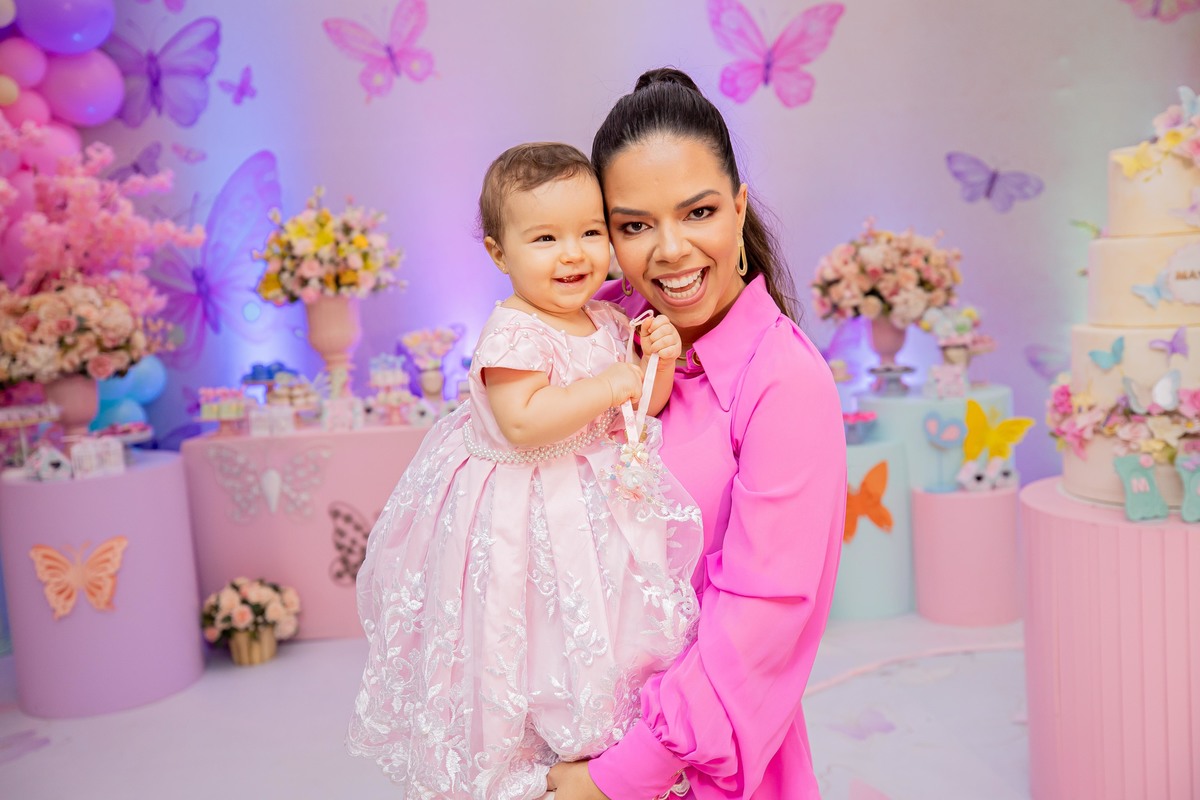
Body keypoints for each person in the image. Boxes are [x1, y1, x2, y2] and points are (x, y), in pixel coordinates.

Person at [347, 142, 704, 800]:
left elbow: (642, 406)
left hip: (592, 515)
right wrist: (612, 381)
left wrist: (657, 361)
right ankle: (521, 758)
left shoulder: (607, 318)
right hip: (524, 518)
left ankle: (599, 740)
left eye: (590, 232)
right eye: (545, 238)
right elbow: (524, 420)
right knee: (522, 633)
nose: (573, 254)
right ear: (499, 253)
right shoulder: (513, 331)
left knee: (596, 623)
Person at [546, 68, 847, 800]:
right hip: (565, 730)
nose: (671, 250)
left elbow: (759, 622)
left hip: (683, 768)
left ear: (739, 209)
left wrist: (615, 778)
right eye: (635, 226)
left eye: (699, 212)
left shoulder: (784, 382)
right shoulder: (595, 333)